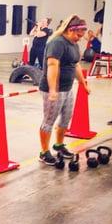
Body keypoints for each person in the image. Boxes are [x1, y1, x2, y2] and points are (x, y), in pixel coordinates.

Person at [38, 15, 90, 166]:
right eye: (78, 35)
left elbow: (76, 65)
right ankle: (44, 152)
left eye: (81, 36)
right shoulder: (57, 43)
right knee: (49, 121)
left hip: (67, 88)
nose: (79, 38)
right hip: (52, 89)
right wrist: (53, 89)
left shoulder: (73, 43)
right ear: (70, 30)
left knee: (66, 118)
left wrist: (83, 84)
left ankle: (59, 146)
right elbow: (52, 66)